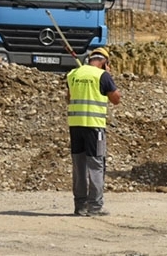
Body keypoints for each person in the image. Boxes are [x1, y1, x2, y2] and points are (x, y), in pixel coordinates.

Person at [66, 47, 121, 217]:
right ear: (104, 62)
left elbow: (68, 97)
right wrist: (108, 79)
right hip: (94, 127)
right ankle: (95, 206)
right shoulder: (102, 76)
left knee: (79, 166)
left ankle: (80, 206)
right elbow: (116, 99)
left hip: (75, 126)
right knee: (96, 165)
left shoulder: (73, 74)